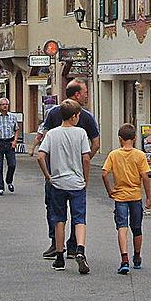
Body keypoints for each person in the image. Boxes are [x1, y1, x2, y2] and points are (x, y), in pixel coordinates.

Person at [33, 79, 100, 258]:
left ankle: (56, 245)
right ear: (77, 94)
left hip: (55, 173)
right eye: (85, 92)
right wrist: (83, 166)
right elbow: (95, 143)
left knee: (55, 211)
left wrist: (48, 171)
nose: (87, 96)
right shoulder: (85, 117)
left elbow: (43, 145)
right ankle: (74, 247)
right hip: (76, 175)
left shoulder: (54, 113)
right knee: (77, 214)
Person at [35, 99, 91, 275]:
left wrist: (48, 176)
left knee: (59, 219)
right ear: (74, 116)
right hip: (76, 183)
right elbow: (86, 158)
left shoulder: (51, 134)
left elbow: (40, 156)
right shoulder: (81, 133)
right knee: (79, 218)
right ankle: (80, 250)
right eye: (78, 115)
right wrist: (85, 179)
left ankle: (60, 257)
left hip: (58, 183)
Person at [102, 123, 151, 274]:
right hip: (135, 196)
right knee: (136, 228)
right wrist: (148, 197)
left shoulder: (113, 155)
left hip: (120, 196)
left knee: (122, 227)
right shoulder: (140, 155)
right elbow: (145, 176)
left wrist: (110, 190)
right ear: (135, 138)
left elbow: (104, 173)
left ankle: (124, 259)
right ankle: (137, 257)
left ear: (119, 139)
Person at [0, 97, 22, 195]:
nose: (5, 106)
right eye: (3, 104)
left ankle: (9, 180)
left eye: (6, 104)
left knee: (12, 164)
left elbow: (17, 129)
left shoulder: (12, 117)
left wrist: (15, 141)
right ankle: (0, 187)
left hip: (10, 143)